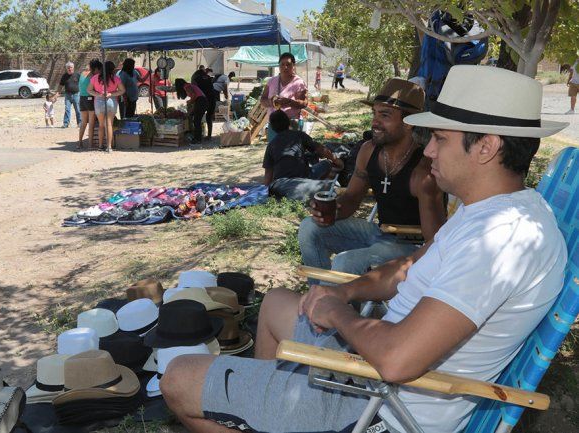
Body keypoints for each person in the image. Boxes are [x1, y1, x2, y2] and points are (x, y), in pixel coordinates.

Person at [160, 65, 569, 433]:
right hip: (369, 365)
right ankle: (273, 411)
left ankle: (282, 407)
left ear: (487, 147)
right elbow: (411, 264)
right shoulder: (489, 211)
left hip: (379, 406)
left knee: (177, 377)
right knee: (276, 305)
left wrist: (337, 313)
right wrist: (347, 292)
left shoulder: (501, 241)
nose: (429, 150)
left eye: (441, 139)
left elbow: (397, 361)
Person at [297, 78, 446, 276]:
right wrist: (332, 211)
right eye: (374, 113)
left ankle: (328, 301)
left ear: (409, 122)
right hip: (379, 233)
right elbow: (351, 198)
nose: (375, 122)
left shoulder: (423, 170)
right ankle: (322, 296)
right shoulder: (368, 151)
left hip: (410, 245)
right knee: (309, 227)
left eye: (385, 115)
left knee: (346, 262)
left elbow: (434, 241)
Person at [263, 110, 343, 201]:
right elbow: (321, 150)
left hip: (283, 183)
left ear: (272, 128)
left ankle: (319, 187)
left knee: (322, 165)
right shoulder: (299, 135)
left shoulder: (271, 145)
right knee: (327, 164)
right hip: (303, 178)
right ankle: (324, 186)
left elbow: (268, 176)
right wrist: (335, 160)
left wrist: (265, 193)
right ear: (288, 122)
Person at [260, 52, 308, 143]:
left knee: (292, 151)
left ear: (293, 66)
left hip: (292, 123)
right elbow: (262, 100)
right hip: (274, 124)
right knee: (275, 152)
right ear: (279, 66)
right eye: (282, 64)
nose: (285, 67)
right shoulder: (271, 81)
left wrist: (289, 102)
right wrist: (272, 102)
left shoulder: (299, 82)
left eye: (288, 64)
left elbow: (305, 103)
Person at [88, 61, 125, 153]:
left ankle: (100, 146)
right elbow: (122, 90)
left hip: (99, 101)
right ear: (112, 69)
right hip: (111, 101)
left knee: (101, 125)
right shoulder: (116, 78)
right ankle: (109, 147)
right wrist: (111, 93)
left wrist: (98, 94)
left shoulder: (95, 78)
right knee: (109, 124)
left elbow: (89, 90)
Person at [175, 78, 207, 144]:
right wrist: (190, 112)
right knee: (196, 120)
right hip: (202, 101)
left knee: (196, 121)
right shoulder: (189, 85)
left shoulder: (187, 86)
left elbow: (194, 96)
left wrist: (189, 102)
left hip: (201, 101)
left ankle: (198, 139)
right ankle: (197, 137)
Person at [77, 60, 100, 149]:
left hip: (82, 99)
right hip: (90, 99)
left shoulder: (82, 73)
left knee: (83, 122)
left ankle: (79, 142)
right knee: (91, 123)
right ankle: (90, 144)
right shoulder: (92, 75)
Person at [192, 67, 217, 141]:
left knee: (197, 119)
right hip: (212, 100)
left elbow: (195, 92)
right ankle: (209, 136)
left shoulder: (196, 79)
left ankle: (198, 138)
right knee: (209, 118)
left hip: (203, 101)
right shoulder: (208, 78)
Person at [58, 62, 81, 128]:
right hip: (68, 95)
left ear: (73, 68)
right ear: (66, 68)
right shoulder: (64, 76)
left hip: (76, 94)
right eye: (68, 68)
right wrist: (57, 93)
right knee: (67, 109)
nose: (69, 69)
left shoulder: (77, 75)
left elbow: (82, 83)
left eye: (71, 67)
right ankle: (66, 123)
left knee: (78, 109)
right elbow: (61, 85)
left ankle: (79, 123)